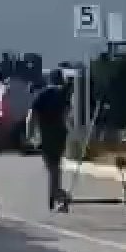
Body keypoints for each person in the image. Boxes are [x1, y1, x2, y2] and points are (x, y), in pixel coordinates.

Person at [27, 69, 72, 210]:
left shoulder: (43, 94)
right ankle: (57, 194)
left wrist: (29, 134)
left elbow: (32, 115)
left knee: (52, 166)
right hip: (60, 132)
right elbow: (67, 114)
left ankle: (59, 195)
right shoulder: (64, 94)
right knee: (55, 166)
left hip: (47, 133)